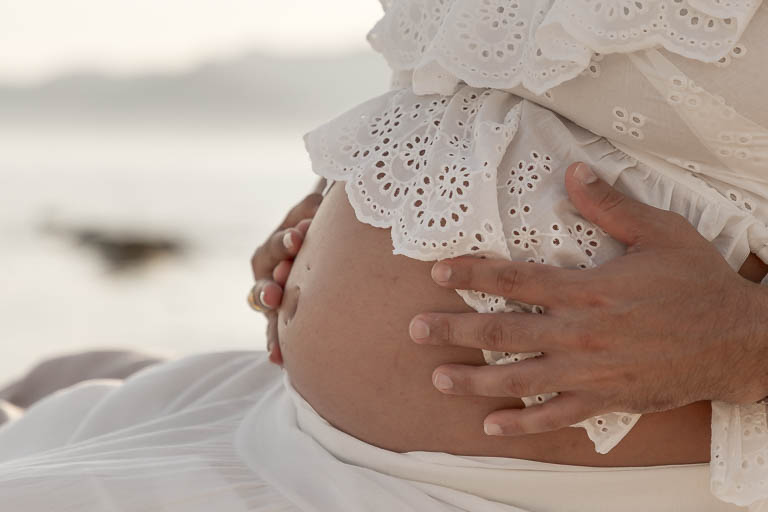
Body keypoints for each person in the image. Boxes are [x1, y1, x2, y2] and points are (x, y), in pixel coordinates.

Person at [3, 1, 768, 510]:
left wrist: (743, 341)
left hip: (519, 493)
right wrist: (353, 194)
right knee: (41, 388)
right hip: (293, 428)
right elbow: (488, 93)